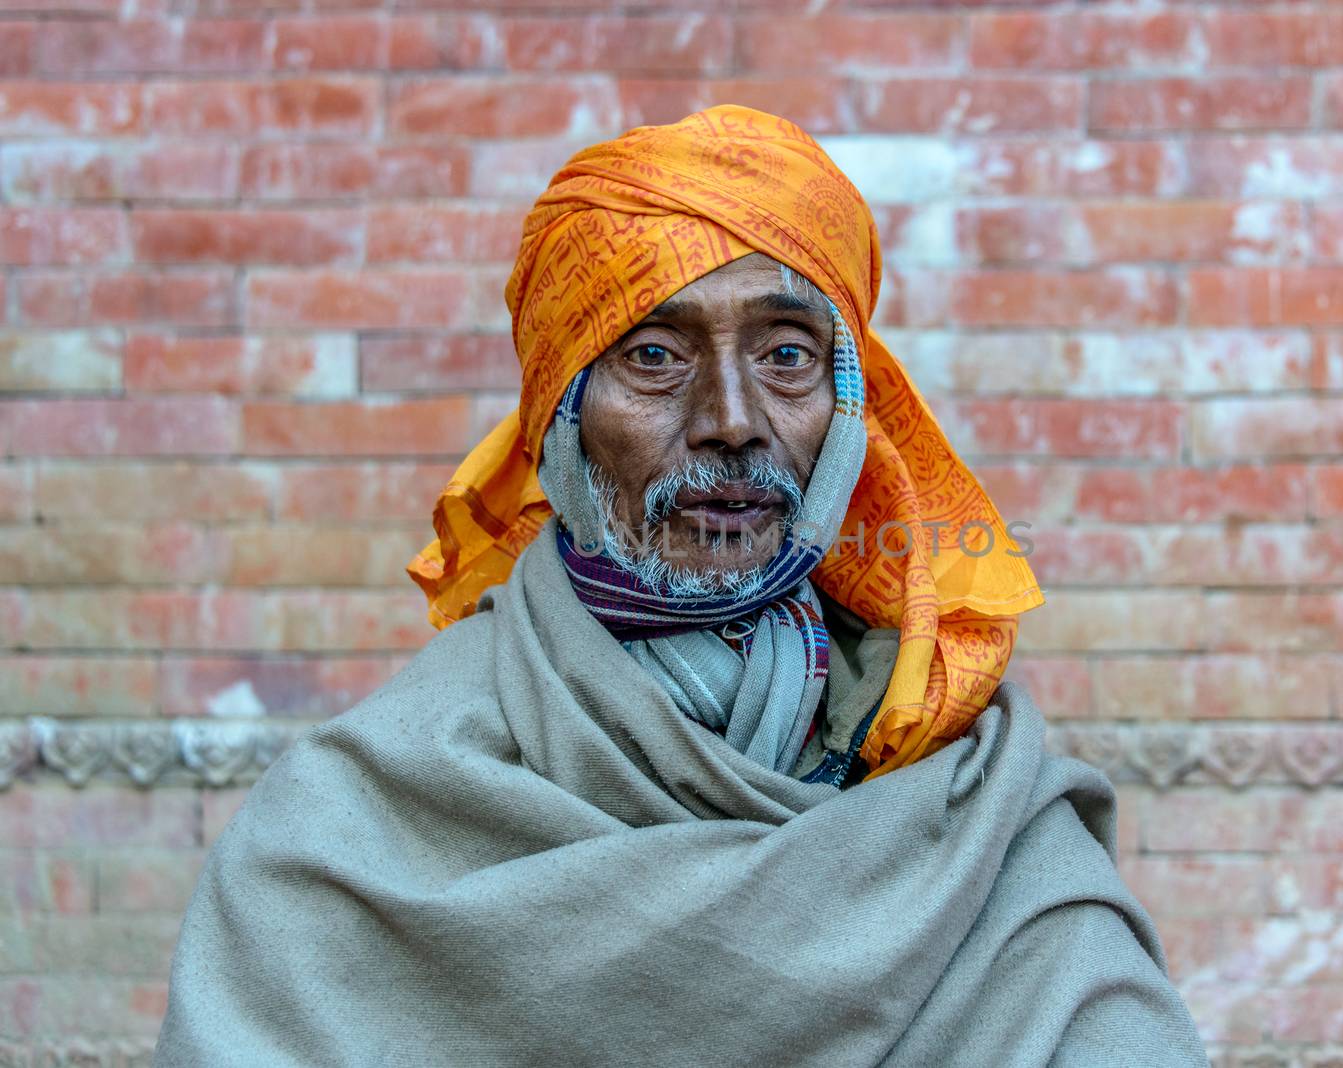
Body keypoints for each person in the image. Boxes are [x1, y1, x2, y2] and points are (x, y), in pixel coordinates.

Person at [155, 106, 1208, 1067]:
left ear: (849, 415)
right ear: (559, 423)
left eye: (787, 354)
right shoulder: (352, 831)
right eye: (655, 357)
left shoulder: (976, 809)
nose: (732, 418)